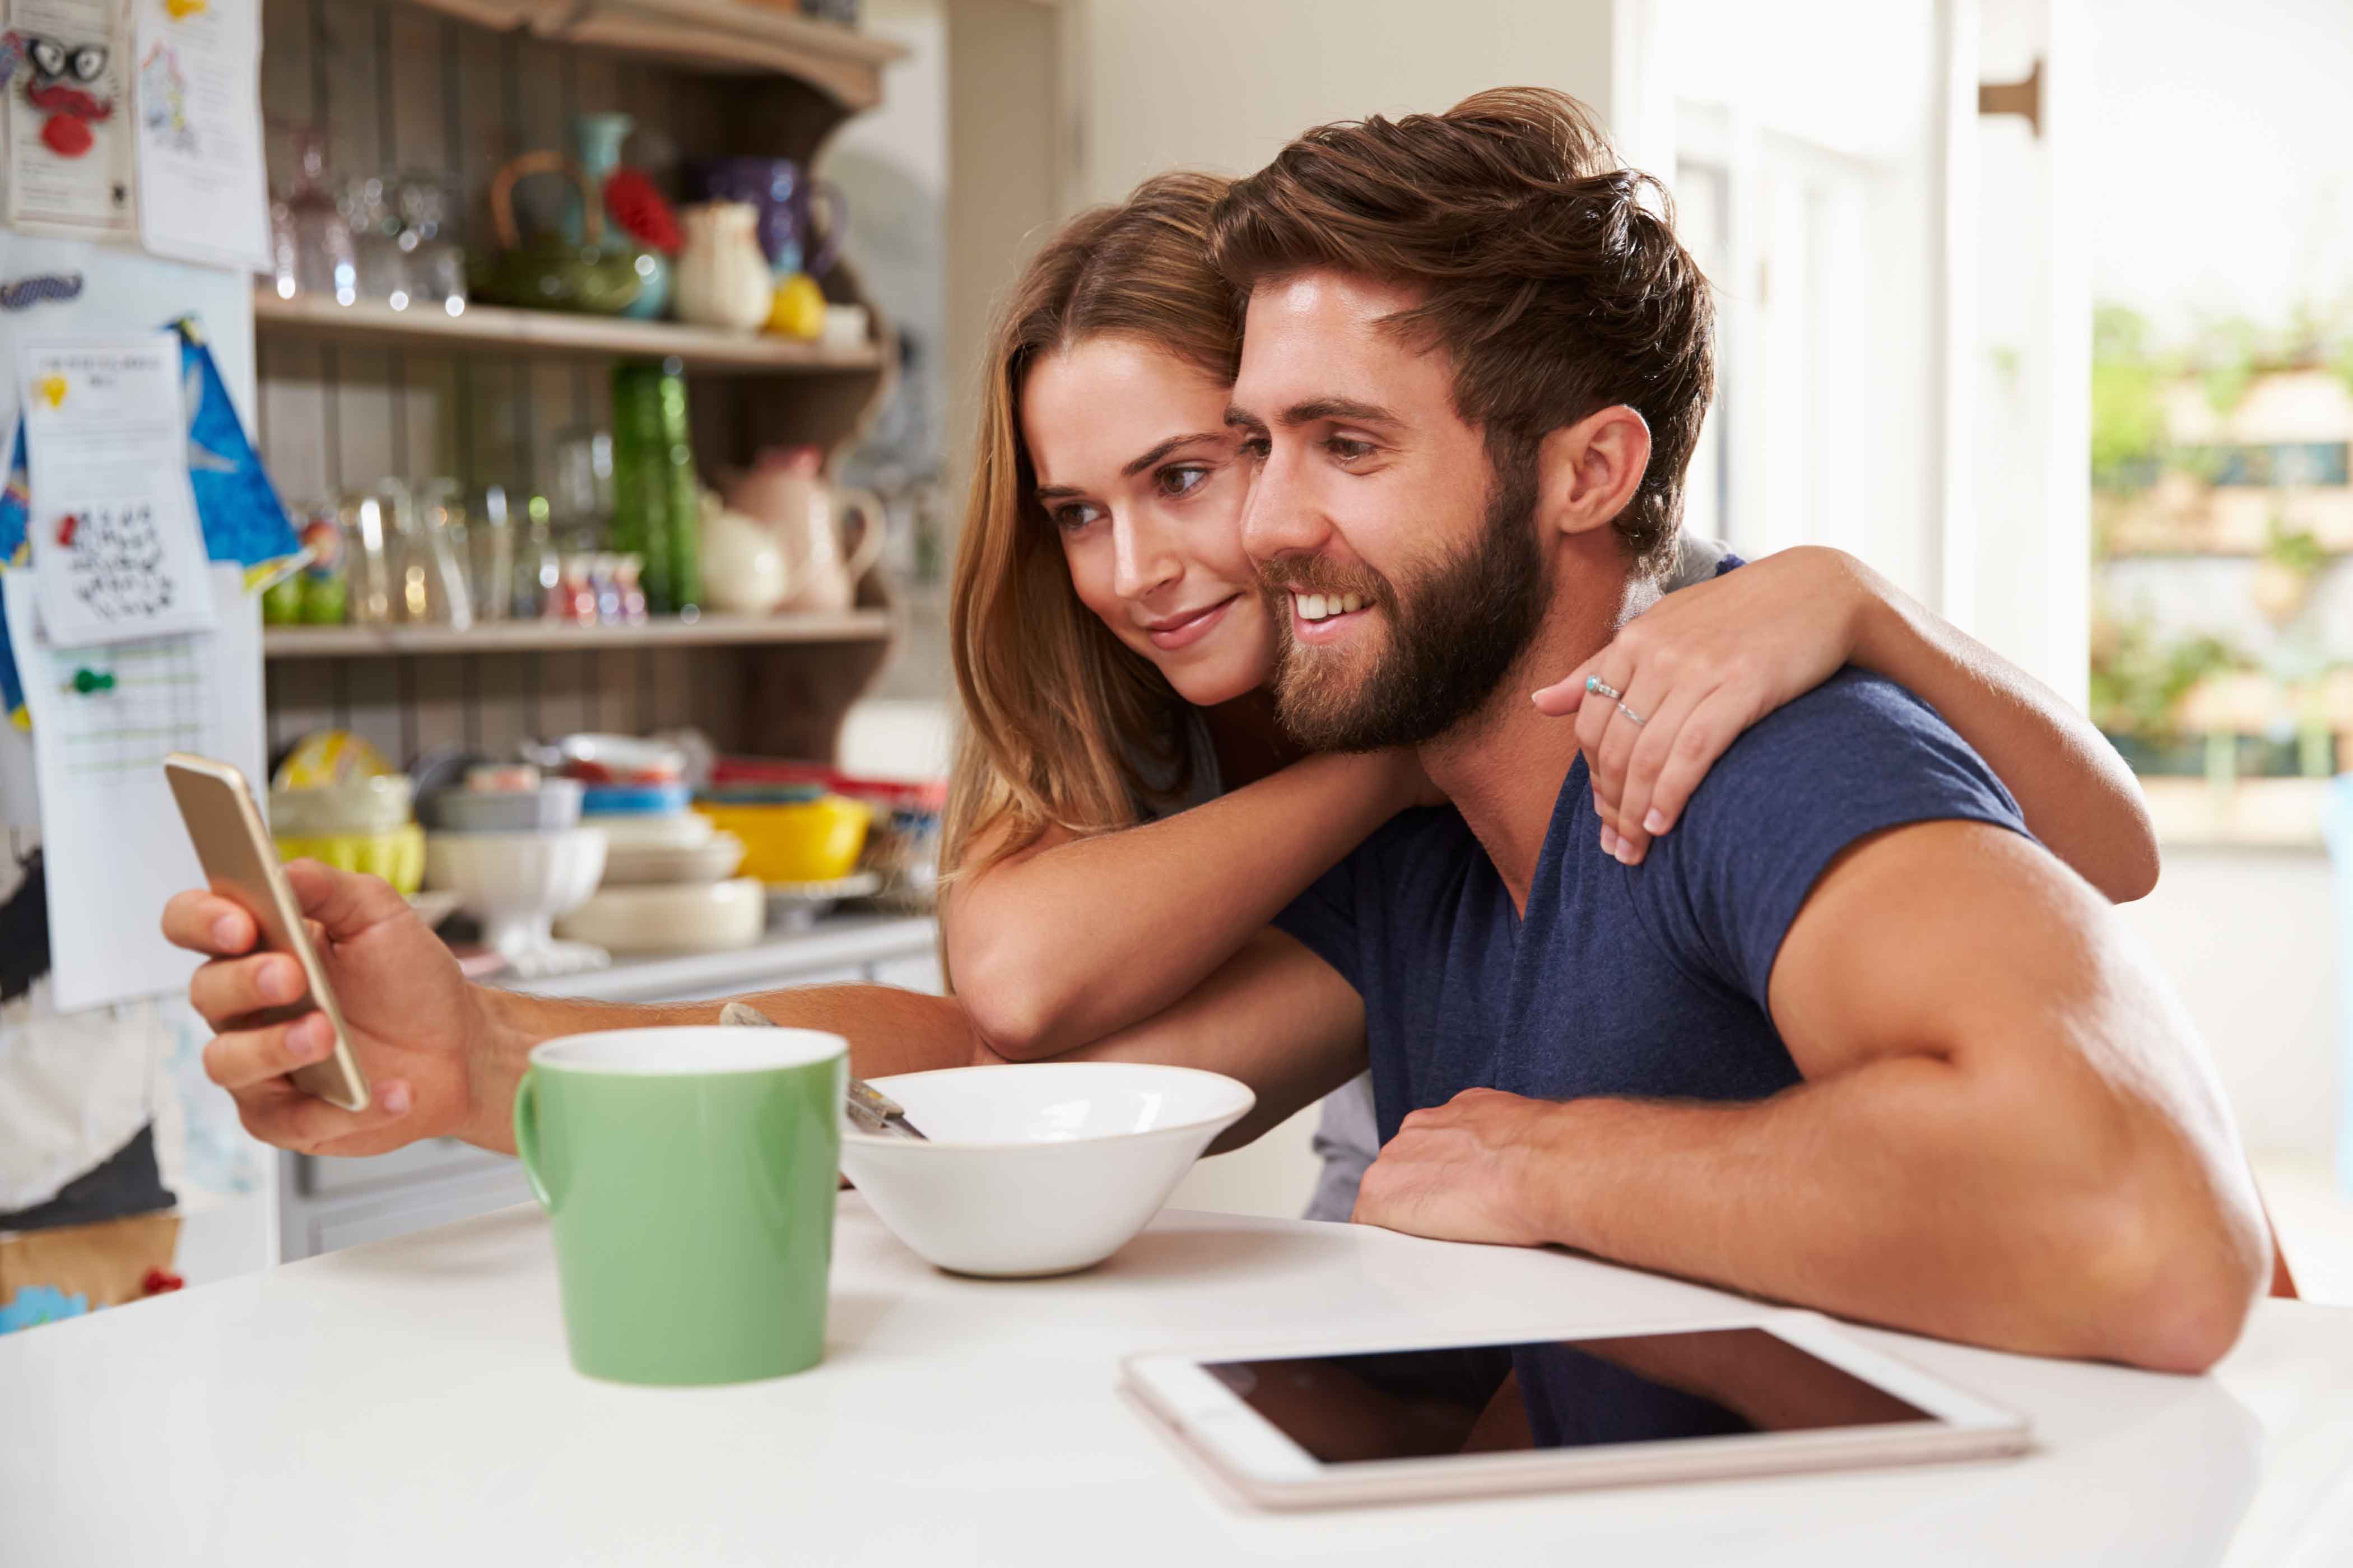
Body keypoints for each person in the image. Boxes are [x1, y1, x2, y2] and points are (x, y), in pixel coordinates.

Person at [166, 88, 2270, 1372]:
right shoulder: (1434, 852)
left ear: (1583, 474)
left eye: (1329, 447)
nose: (1251, 532)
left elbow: (2157, 1227)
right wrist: (487, 1050)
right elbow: (1006, 1077)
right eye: (1242, 448)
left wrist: (1560, 1163)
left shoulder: (1752, 747)